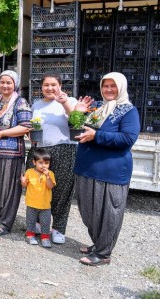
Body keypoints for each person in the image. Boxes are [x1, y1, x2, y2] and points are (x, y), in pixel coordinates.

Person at [74, 72, 140, 266]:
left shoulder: (128, 111)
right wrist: (77, 112)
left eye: (113, 86)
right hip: (87, 168)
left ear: (121, 88)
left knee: (108, 212)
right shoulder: (97, 108)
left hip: (111, 172)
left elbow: (128, 138)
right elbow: (76, 129)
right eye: (105, 86)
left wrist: (97, 136)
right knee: (90, 211)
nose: (109, 89)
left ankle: (103, 253)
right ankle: (97, 243)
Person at [29, 74, 93, 244]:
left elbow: (76, 123)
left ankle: (58, 228)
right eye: (46, 85)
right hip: (41, 151)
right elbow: (34, 126)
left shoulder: (70, 101)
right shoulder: (36, 105)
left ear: (60, 85)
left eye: (53, 84)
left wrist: (64, 103)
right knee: (39, 188)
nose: (50, 88)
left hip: (65, 149)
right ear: (41, 87)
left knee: (62, 191)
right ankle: (37, 223)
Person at [0, 70, 32, 236]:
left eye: (9, 82)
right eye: (2, 82)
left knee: (8, 188)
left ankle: (6, 223)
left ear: (14, 84)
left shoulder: (20, 102)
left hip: (11, 153)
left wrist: (2, 133)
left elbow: (26, 126)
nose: (5, 85)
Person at [21, 148, 56, 248]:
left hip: (45, 205)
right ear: (34, 162)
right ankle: (30, 235)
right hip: (31, 203)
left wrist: (48, 176)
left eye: (46, 163)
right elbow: (24, 185)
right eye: (40, 162)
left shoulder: (50, 174)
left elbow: (50, 186)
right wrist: (23, 181)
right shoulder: (29, 172)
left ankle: (45, 237)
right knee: (30, 221)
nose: (44, 165)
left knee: (46, 222)